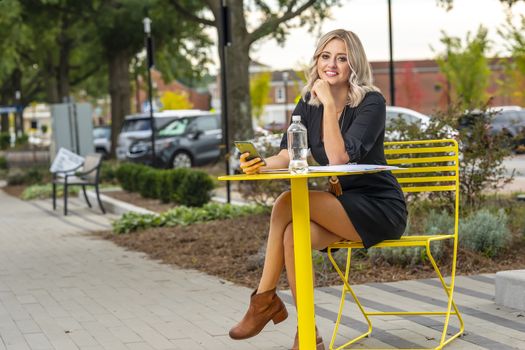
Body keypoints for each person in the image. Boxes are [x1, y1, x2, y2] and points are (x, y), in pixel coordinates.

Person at [229, 29, 408, 350]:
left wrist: (327, 104)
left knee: (286, 202)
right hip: (342, 205)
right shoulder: (308, 102)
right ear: (317, 60)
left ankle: (263, 301)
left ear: (354, 64)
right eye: (326, 56)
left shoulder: (371, 101)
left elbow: (340, 157)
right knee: (292, 237)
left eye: (342, 58)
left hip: (379, 207)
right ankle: (308, 333)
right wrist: (259, 163)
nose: (332, 65)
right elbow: (287, 153)